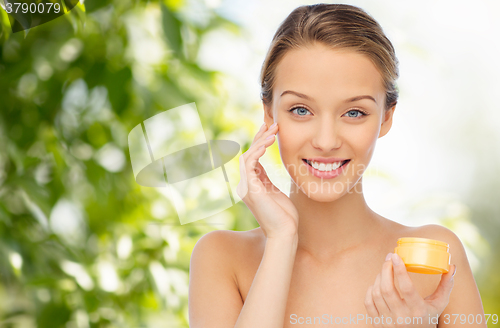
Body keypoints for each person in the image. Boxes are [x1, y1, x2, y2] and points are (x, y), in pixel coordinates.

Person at [188, 4, 486, 327]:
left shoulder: (431, 262)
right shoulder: (222, 259)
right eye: (301, 110)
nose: (326, 141)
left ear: (386, 116)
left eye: (354, 112)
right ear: (269, 113)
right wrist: (281, 241)